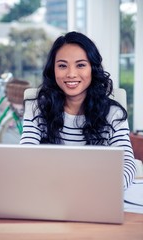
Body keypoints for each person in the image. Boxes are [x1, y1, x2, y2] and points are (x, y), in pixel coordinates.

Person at [20, 31, 136, 190]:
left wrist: (109, 188)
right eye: (62, 66)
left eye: (81, 65)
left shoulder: (113, 114)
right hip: (49, 191)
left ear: (92, 69)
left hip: (97, 193)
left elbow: (127, 163)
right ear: (52, 70)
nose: (71, 74)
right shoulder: (36, 108)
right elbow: (25, 156)